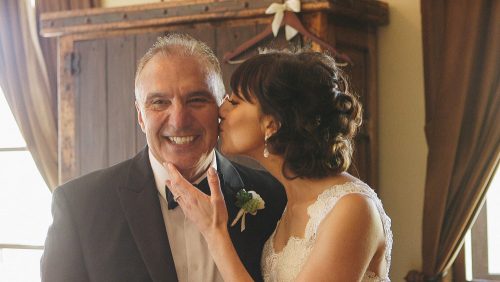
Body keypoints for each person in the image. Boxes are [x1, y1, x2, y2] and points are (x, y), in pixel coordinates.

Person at [40, 33, 286, 282]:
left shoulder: (275, 196)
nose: (179, 120)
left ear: (220, 107)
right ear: (140, 116)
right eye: (159, 102)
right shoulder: (80, 206)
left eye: (197, 100)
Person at [166, 50, 393, 281]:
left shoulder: (351, 208)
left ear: (272, 125)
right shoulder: (286, 203)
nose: (220, 111)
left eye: (234, 102)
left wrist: (214, 232)